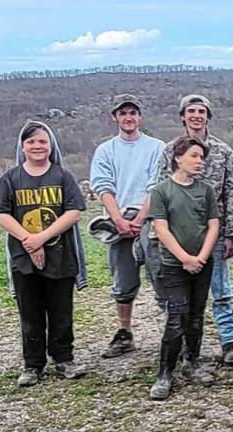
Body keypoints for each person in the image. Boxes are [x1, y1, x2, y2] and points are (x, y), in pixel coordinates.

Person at [0, 121, 87, 387]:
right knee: (30, 313)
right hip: (23, 258)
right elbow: (1, 215)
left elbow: (74, 212)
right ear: (22, 147)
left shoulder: (63, 176)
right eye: (31, 141)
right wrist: (28, 241)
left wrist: (42, 239)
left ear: (50, 146)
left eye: (42, 141)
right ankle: (33, 365)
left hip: (61, 255)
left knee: (61, 311)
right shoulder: (10, 179)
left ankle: (64, 358)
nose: (37, 146)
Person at [158, 94, 233, 364]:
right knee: (181, 297)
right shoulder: (170, 150)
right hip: (180, 233)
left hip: (213, 233)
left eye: (202, 111)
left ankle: (229, 340)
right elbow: (161, 189)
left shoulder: (224, 151)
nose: (197, 115)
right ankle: (184, 344)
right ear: (183, 116)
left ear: (208, 116)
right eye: (191, 111)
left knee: (221, 291)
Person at [90, 94, 165, 358]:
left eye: (133, 112)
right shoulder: (105, 150)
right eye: (123, 113)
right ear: (115, 117)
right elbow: (102, 186)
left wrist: (141, 218)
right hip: (118, 220)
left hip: (151, 220)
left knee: (161, 276)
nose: (128, 117)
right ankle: (124, 333)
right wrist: (119, 220)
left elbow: (157, 185)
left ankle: (172, 334)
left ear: (139, 116)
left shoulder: (157, 147)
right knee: (122, 282)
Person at [148, 136, 220, 400]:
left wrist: (201, 256)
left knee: (196, 315)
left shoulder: (206, 190)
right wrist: (184, 258)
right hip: (173, 265)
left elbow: (213, 224)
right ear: (178, 157)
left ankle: (192, 362)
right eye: (194, 155)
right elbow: (161, 228)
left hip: (203, 262)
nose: (199, 161)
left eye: (202, 157)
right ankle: (165, 373)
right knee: (176, 317)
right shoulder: (162, 191)